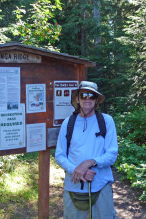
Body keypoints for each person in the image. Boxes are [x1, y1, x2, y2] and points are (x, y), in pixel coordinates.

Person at [55, 81, 118, 219]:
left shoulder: (106, 121)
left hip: (101, 184)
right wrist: (77, 170)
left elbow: (112, 154)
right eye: (83, 95)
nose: (87, 98)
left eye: (92, 95)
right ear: (77, 99)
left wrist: (89, 162)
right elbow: (59, 155)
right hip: (73, 185)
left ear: (96, 100)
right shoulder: (68, 123)